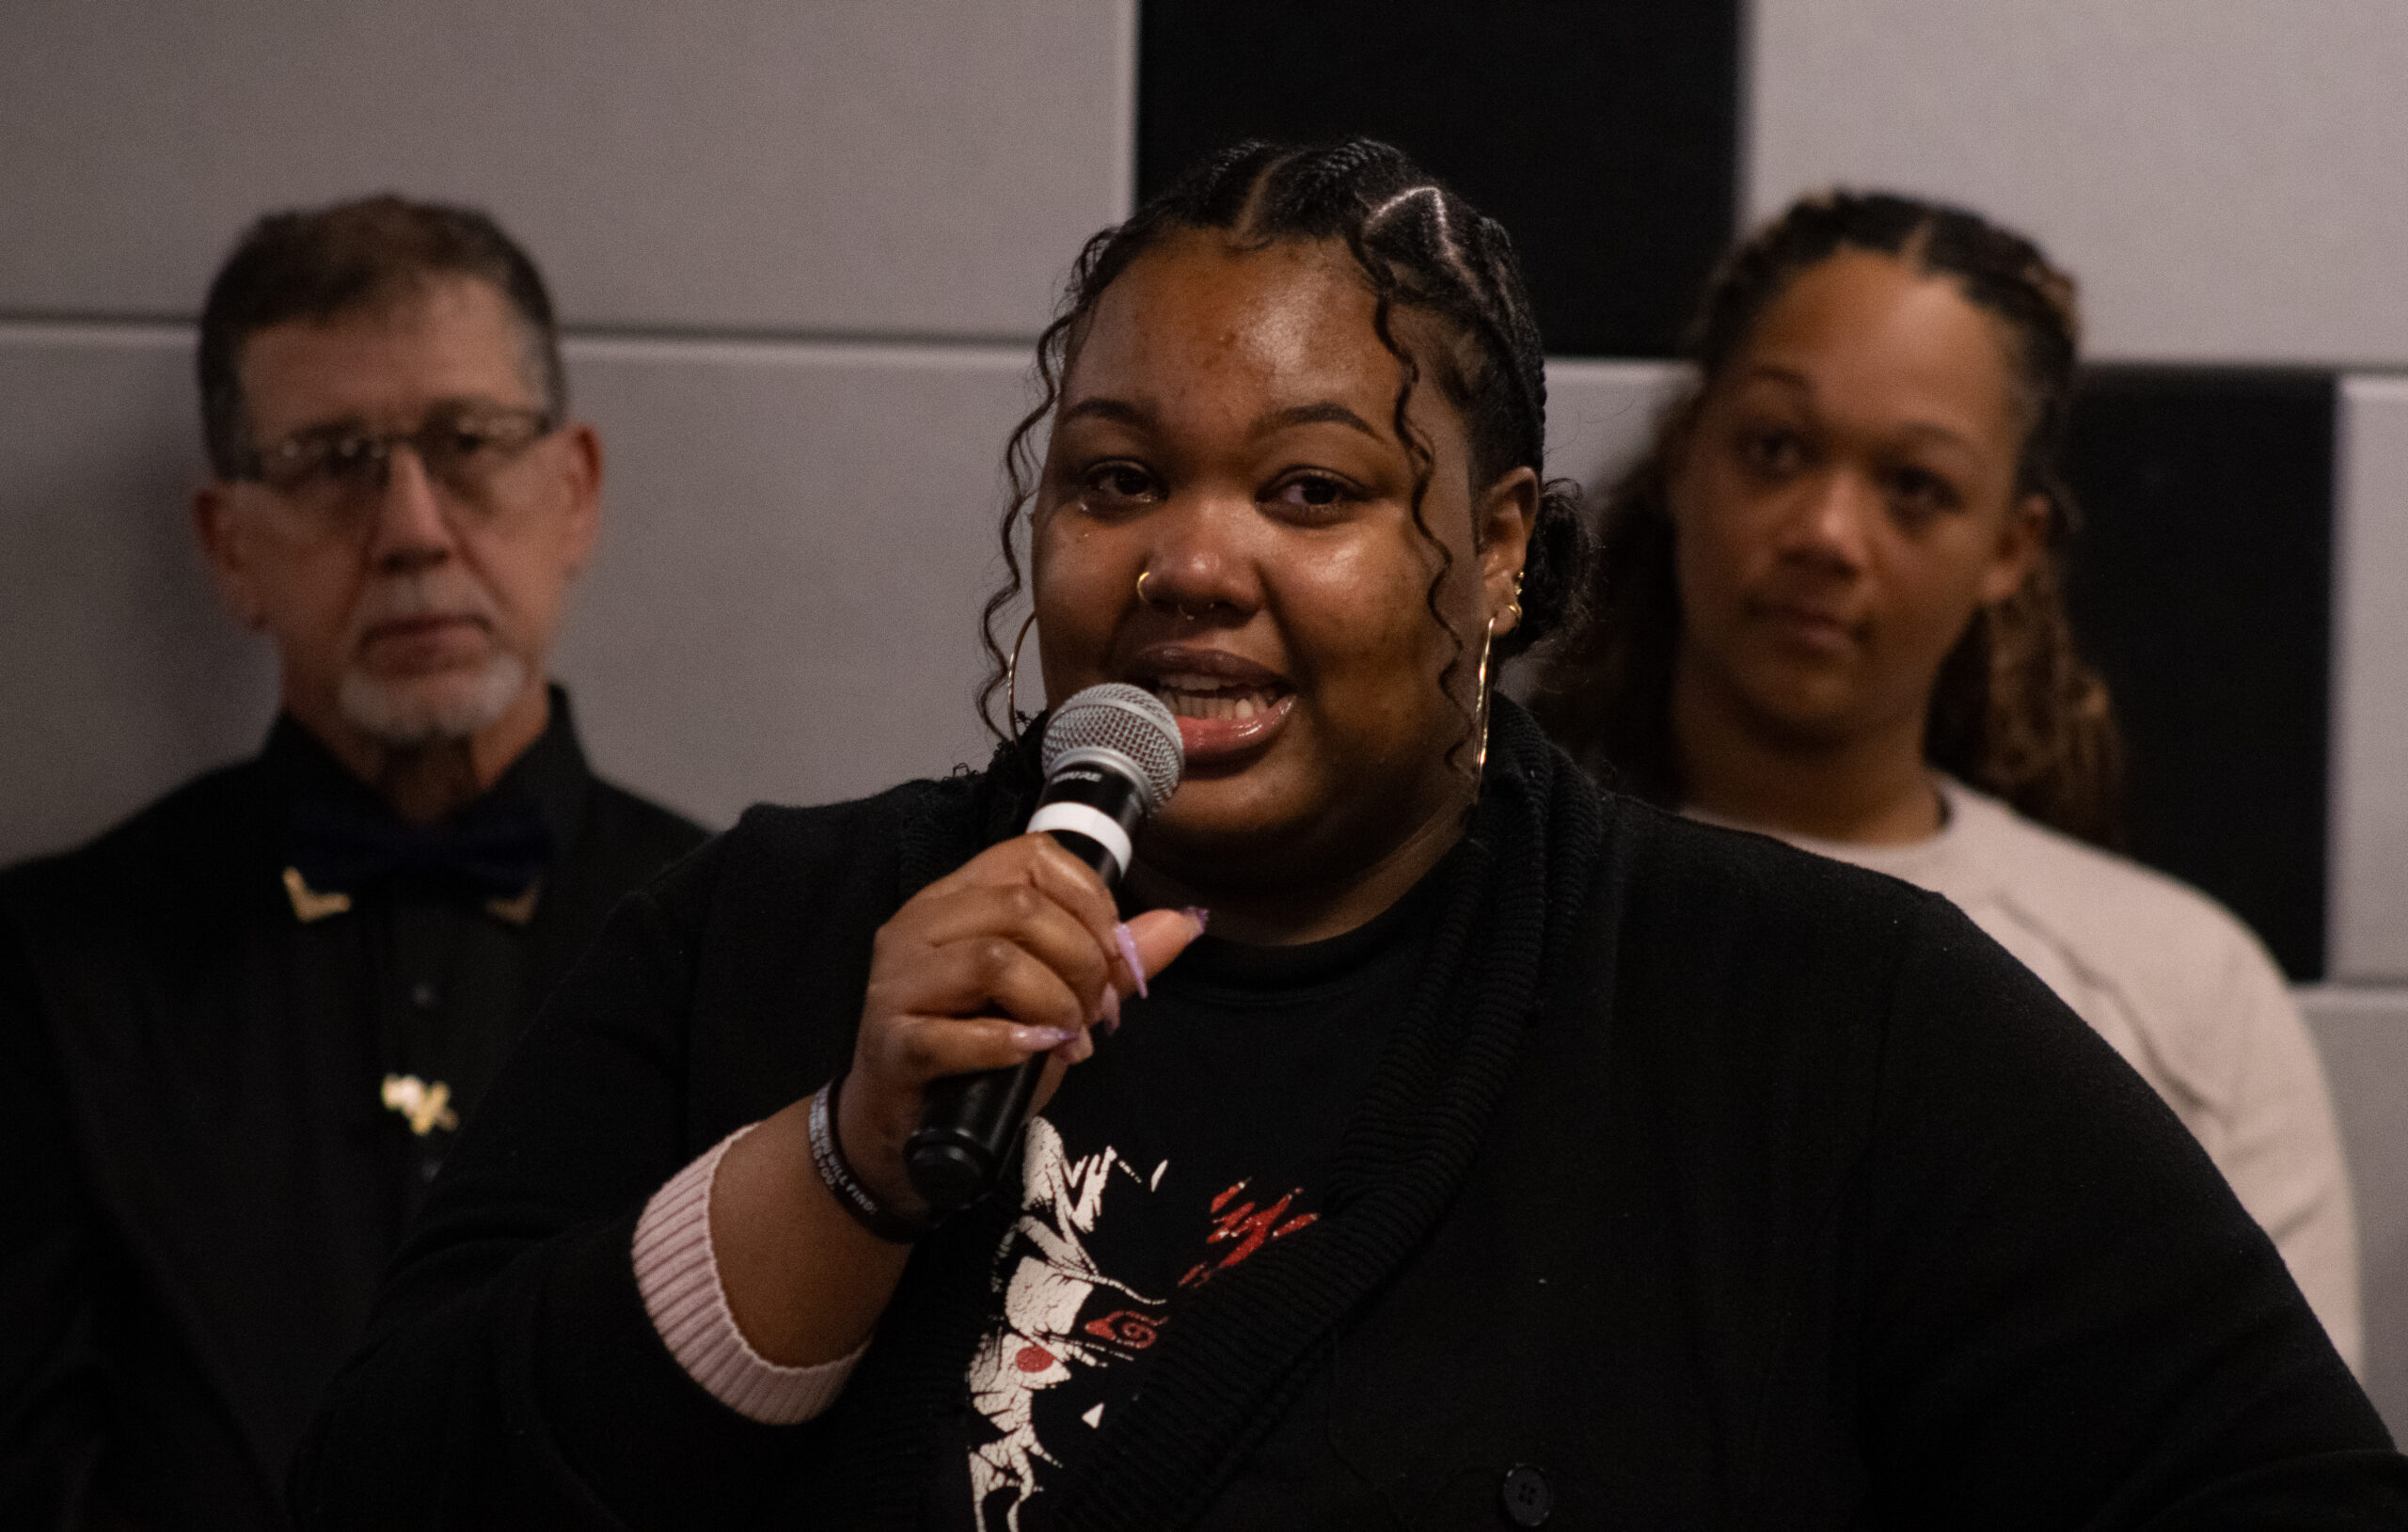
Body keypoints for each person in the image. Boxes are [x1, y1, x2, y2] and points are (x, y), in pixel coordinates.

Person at [293, 143, 2401, 1529]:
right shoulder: (774, 925)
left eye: (1309, 490)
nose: (1188, 561)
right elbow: (387, 1484)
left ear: (1496, 551)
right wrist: (837, 1164)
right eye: (1116, 480)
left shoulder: (1807, 1020)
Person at [1527, 190, 2363, 1373]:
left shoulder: (2182, 992)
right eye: (1775, 449)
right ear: (1685, 458)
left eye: (1913, 487)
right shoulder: (1495, 905)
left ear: (2009, 550)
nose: (1825, 532)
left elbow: (2276, 1454)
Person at [0, 197, 705, 1528]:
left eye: (467, 443)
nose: (412, 528)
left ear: (573, 492)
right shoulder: (46, 972)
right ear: (230, 547)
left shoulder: (740, 938)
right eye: (332, 462)